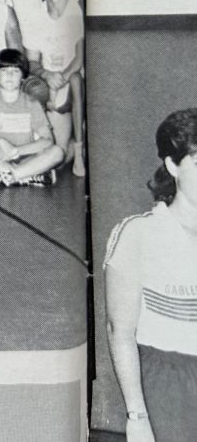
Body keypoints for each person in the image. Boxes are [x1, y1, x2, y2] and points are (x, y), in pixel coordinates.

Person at [104, 109, 197, 442]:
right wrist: (137, 416)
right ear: (173, 166)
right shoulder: (139, 233)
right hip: (169, 380)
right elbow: (120, 330)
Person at [20, 0, 85, 175]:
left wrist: (60, 81)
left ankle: (79, 145)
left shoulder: (76, 11)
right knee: (56, 154)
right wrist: (47, 76)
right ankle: (68, 147)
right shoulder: (34, 15)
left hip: (72, 78)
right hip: (50, 81)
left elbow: (79, 58)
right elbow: (32, 62)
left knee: (76, 80)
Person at [0, 48, 62, 186]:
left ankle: (6, 176)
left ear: (23, 77)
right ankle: (26, 175)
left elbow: (48, 140)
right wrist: (0, 141)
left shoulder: (32, 104)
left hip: (26, 158)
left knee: (57, 152)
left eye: (15, 71)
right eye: (4, 71)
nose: (9, 75)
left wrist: (15, 151)